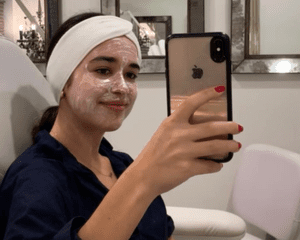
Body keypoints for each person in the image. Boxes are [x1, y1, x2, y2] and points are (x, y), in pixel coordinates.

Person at [0, 12, 243, 240]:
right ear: (63, 81)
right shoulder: (37, 179)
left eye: (131, 75)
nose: (122, 87)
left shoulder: (122, 164)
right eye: (103, 70)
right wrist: (144, 178)